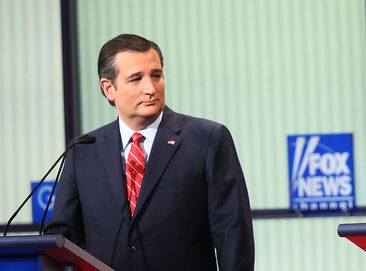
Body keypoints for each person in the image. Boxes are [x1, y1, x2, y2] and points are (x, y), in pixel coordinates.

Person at [45, 34, 254, 270]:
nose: (150, 88)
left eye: (156, 75)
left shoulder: (207, 139)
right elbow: (63, 238)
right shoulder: (83, 149)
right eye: (136, 79)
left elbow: (233, 233)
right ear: (109, 88)